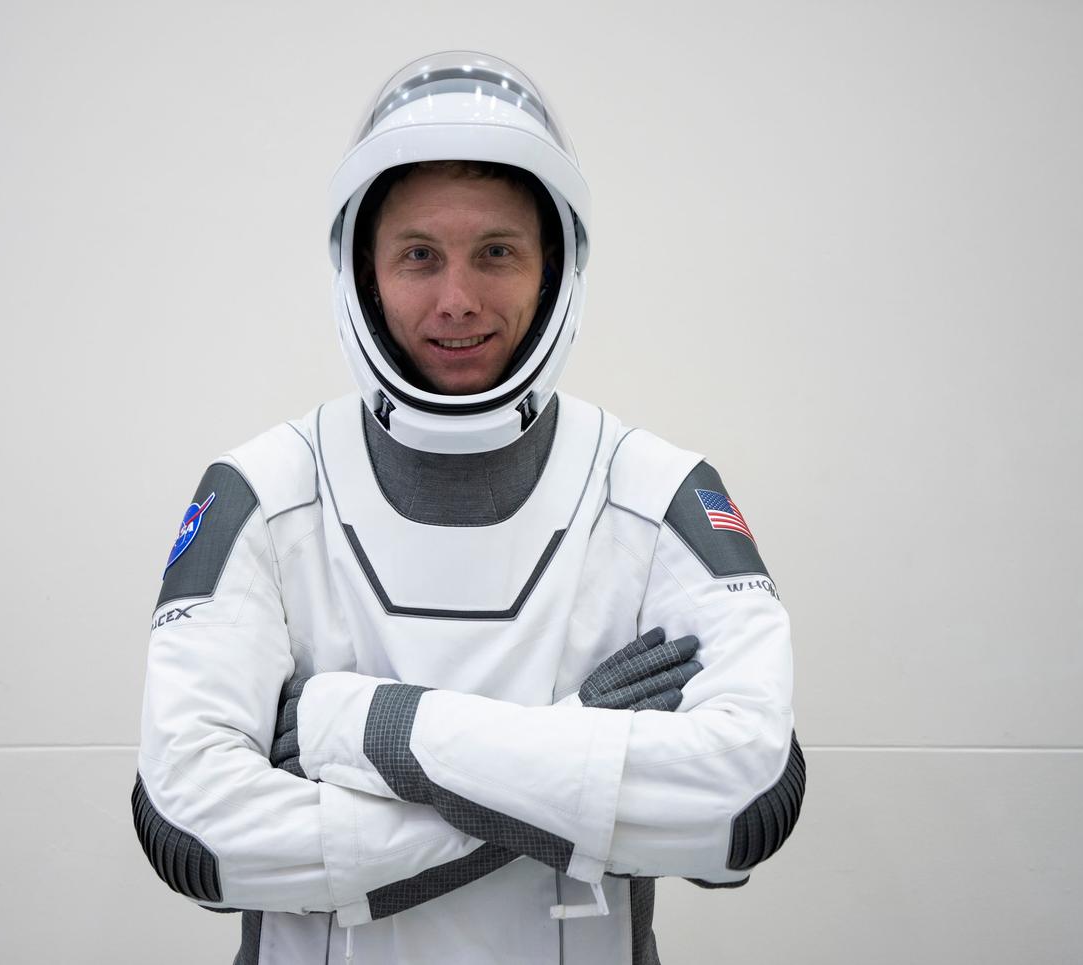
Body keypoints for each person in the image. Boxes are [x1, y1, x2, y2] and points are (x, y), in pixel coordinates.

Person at [132, 51, 804, 965]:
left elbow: (743, 806)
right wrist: (577, 747)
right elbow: (197, 833)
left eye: (496, 252)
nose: (457, 300)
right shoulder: (263, 492)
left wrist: (355, 727)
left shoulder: (655, 492)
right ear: (364, 272)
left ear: (552, 267)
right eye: (419, 255)